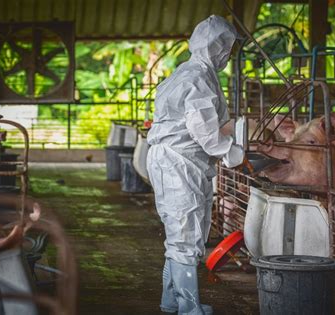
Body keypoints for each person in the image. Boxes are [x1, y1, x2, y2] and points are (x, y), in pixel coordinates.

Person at [146, 15, 244, 315]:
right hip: (178, 161)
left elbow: (214, 122)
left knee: (185, 234)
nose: (229, 55)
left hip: (185, 161)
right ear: (216, 47)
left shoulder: (195, 72)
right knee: (185, 235)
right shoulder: (196, 77)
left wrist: (232, 136)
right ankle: (189, 308)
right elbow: (204, 129)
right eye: (227, 48)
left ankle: (171, 299)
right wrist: (231, 152)